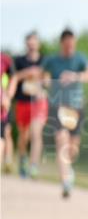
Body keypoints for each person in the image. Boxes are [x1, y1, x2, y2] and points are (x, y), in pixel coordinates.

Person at [42, 29, 88, 198]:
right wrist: (46, 82)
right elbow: (42, 75)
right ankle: (65, 181)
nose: (70, 48)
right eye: (67, 44)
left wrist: (76, 76)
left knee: (72, 149)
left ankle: (68, 169)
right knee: (61, 140)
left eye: (72, 44)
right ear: (62, 43)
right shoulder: (52, 60)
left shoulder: (80, 58)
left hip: (76, 108)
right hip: (57, 106)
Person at [12, 31, 48, 178]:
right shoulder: (19, 61)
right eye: (29, 41)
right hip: (23, 101)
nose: (32, 44)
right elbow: (14, 77)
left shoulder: (45, 60)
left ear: (38, 43)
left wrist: (42, 81)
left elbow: (48, 79)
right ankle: (23, 160)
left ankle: (33, 165)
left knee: (36, 133)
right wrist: (27, 73)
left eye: (34, 41)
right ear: (26, 44)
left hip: (39, 102)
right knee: (23, 136)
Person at [0, 51, 13, 171]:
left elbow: (14, 77)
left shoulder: (5, 59)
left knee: (3, 135)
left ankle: (8, 159)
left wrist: (8, 96)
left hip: (1, 106)